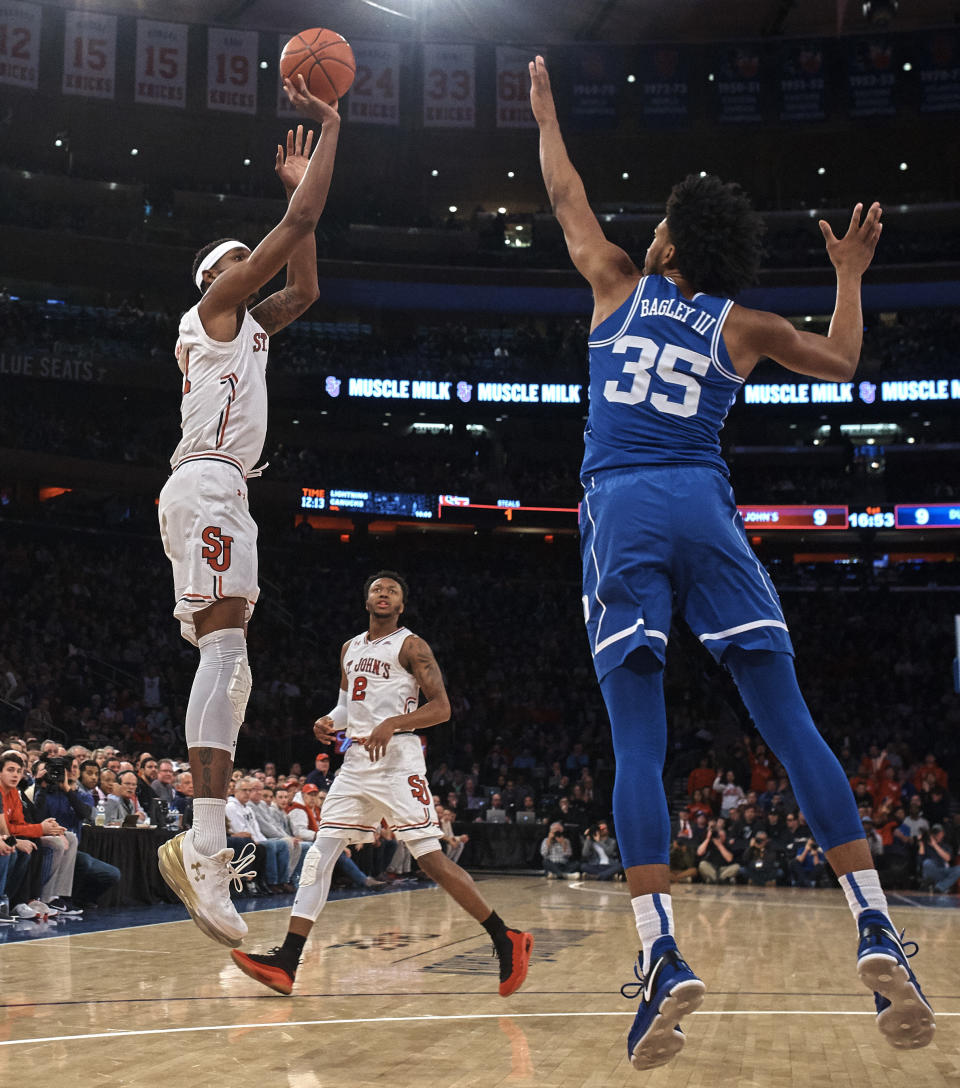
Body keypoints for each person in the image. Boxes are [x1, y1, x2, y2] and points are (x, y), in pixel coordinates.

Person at [528, 53, 932, 1067]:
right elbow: (842, 361)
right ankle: (876, 921)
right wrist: (847, 277)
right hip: (706, 507)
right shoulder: (741, 324)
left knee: (638, 739)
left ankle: (663, 951)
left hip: (622, 506)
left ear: (666, 239)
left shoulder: (615, 286)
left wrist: (541, 107)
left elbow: (565, 191)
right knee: (788, 719)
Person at [156, 78, 343, 948]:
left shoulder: (249, 331)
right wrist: (328, 139)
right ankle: (201, 843)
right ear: (217, 277)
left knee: (230, 666)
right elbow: (297, 235)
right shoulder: (214, 309)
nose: (247, 270)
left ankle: (199, 840)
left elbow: (302, 289)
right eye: (238, 261)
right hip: (208, 483)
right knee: (227, 662)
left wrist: (289, 199)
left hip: (217, 487)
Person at [231, 572, 533, 997]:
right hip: (355, 762)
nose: (384, 594)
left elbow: (442, 708)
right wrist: (327, 721)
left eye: (392, 590)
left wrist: (393, 723)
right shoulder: (349, 648)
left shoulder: (412, 646)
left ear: (401, 605)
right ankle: (287, 960)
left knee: (430, 858)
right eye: (377, 589)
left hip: (398, 761)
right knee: (320, 855)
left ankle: (506, 937)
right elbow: (345, 707)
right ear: (367, 599)